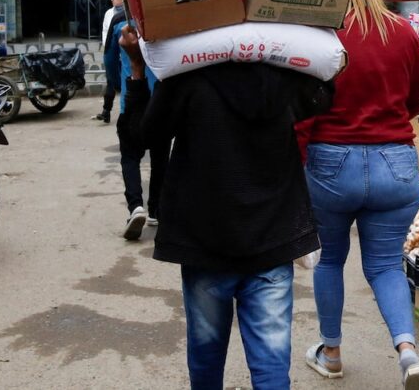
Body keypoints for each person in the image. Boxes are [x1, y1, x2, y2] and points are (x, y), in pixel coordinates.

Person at [139, 33, 334, 390]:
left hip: (204, 240)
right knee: (272, 365)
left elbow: (147, 132)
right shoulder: (284, 71)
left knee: (206, 357)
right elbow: (323, 93)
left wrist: (138, 71)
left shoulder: (187, 75)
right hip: (273, 239)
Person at [295, 0, 419, 390]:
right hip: (396, 162)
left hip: (332, 163)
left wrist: (294, 168)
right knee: (388, 265)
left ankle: (331, 353)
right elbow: (415, 102)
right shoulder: (403, 32)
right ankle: (408, 351)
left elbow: (303, 114)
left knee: (330, 259)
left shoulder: (320, 34)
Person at [110, 12, 162, 239]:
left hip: (130, 101)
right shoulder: (163, 22)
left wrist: (116, 84)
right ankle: (156, 209)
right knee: (161, 157)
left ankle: (135, 207)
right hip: (160, 102)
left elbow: (109, 60)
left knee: (130, 157)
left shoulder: (121, 24)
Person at [97, 0, 124, 123]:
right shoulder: (109, 13)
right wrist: (107, 47)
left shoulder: (128, 13)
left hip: (125, 53)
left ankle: (125, 112)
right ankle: (106, 111)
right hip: (111, 51)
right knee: (111, 81)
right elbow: (105, 31)